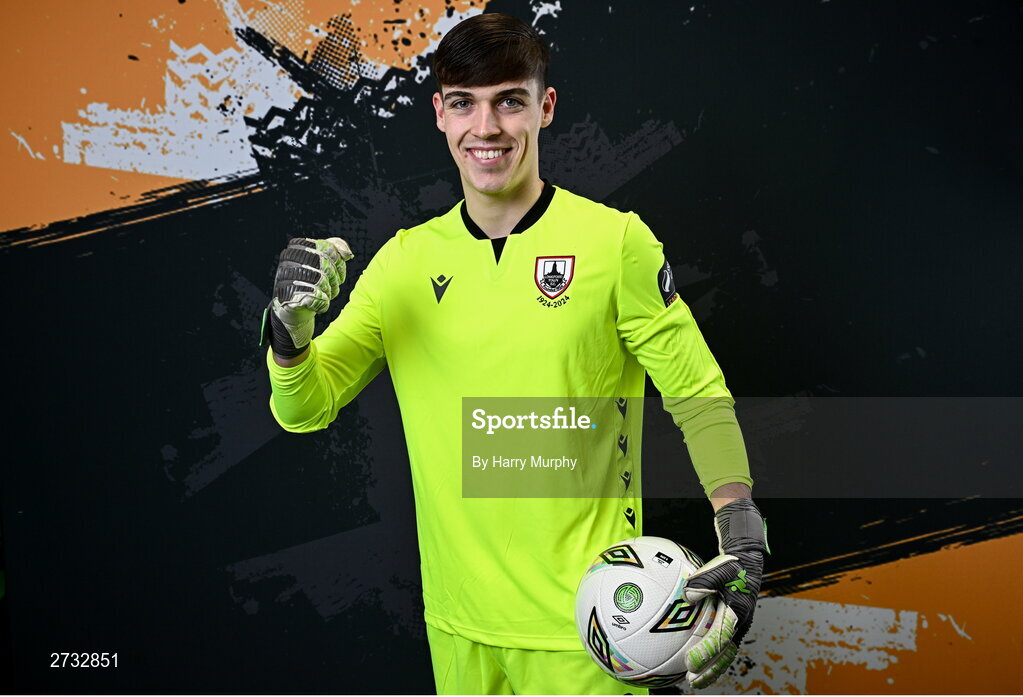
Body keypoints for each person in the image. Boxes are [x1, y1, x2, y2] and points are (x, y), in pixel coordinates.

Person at [260, 12, 768, 695]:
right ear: (439, 114)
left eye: (509, 101)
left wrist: (740, 536)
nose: (487, 127)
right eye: (464, 104)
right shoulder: (403, 264)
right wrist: (288, 329)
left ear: (544, 108)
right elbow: (304, 408)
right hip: (458, 629)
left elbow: (696, 394)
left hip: (592, 631)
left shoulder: (614, 243)